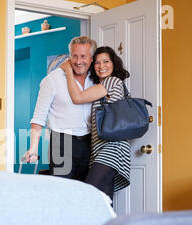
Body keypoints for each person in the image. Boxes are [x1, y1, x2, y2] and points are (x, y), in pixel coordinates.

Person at [23, 36, 107, 181]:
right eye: (74, 56)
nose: (78, 61)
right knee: (62, 192)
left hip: (90, 142)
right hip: (62, 142)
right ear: (70, 56)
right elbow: (38, 117)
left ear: (92, 58)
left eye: (83, 56)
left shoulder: (96, 80)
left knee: (85, 191)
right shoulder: (52, 80)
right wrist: (33, 148)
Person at [60, 46, 131, 202]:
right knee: (103, 199)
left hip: (113, 148)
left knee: (89, 192)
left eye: (106, 61)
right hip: (100, 148)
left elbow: (77, 98)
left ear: (114, 64)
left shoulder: (112, 81)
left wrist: (68, 71)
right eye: (97, 63)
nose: (101, 66)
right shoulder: (100, 87)